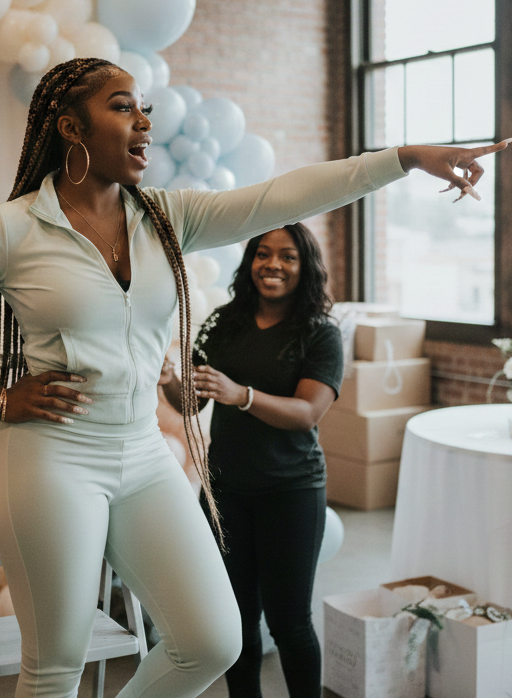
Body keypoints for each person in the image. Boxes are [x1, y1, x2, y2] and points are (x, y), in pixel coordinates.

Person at [0, 57, 512, 698]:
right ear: (71, 128)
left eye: (143, 106)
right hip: (51, 456)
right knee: (57, 664)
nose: (144, 121)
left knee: (212, 639)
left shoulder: (166, 218)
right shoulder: (11, 229)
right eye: (123, 107)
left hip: (142, 453)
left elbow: (283, 196)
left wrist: (401, 159)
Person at [160, 222, 341, 698]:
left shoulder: (320, 333)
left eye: (287, 256)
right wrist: (167, 378)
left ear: (305, 267)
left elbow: (306, 413)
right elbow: (190, 402)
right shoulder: (224, 321)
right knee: (234, 623)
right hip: (227, 495)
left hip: (292, 492)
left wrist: (242, 395)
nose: (273, 265)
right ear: (250, 261)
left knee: (289, 623)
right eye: (263, 254)